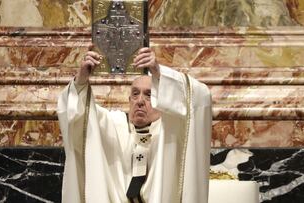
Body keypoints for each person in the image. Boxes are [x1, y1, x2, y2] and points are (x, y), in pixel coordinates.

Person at [57, 47, 212, 203]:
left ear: (163, 98)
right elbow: (77, 114)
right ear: (129, 100)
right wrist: (81, 79)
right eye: (135, 94)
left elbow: (200, 98)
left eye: (149, 95)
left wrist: (159, 72)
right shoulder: (112, 125)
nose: (139, 101)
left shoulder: (171, 131)